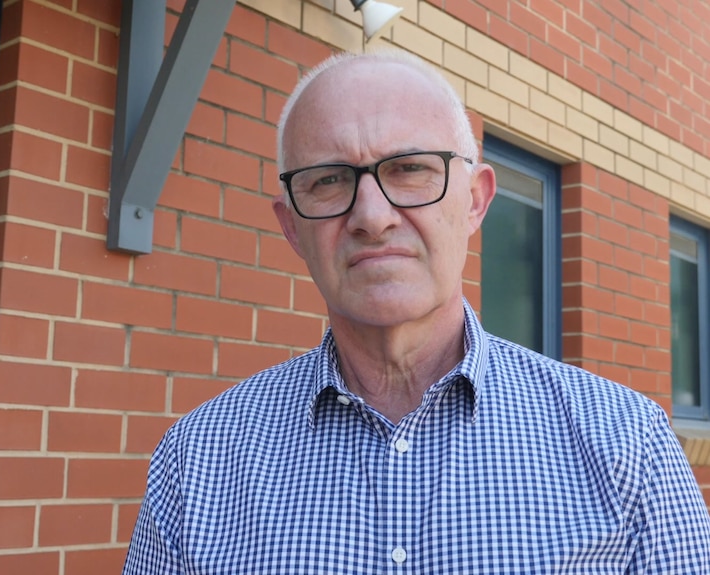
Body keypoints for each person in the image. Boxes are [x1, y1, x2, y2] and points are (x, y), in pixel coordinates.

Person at [122, 49, 710, 574]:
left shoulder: (629, 447)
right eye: (329, 180)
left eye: (410, 169)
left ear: (475, 200)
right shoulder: (196, 464)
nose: (372, 216)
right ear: (291, 227)